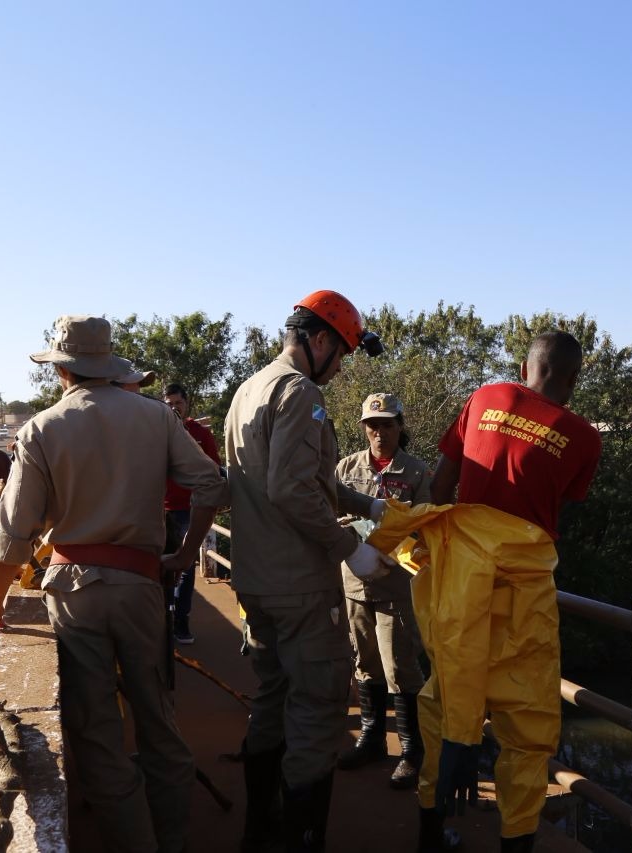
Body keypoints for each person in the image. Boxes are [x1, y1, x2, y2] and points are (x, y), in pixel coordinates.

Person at [0, 315, 229, 853]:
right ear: (109, 365)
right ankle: (176, 840)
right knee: (158, 723)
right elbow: (211, 482)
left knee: (97, 735)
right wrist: (184, 554)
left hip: (75, 593)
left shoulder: (42, 428)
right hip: (142, 585)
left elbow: (15, 534)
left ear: (61, 370)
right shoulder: (157, 417)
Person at [368, 331, 602, 853]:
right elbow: (549, 508)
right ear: (573, 378)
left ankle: (431, 830)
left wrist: (447, 542)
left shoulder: (484, 397)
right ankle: (516, 843)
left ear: (524, 365)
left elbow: (443, 485)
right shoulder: (585, 437)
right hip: (525, 590)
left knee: (444, 698)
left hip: (459, 580)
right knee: (527, 723)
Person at [225, 290, 386, 852]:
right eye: (340, 354)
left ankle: (258, 830)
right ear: (318, 341)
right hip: (299, 584)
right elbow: (291, 488)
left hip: (257, 580)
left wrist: (368, 506)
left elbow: (305, 478)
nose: (340, 368)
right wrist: (351, 547)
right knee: (317, 713)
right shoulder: (300, 393)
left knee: (271, 699)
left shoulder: (249, 390)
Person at [334, 392, 432, 790]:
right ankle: (372, 739)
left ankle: (412, 751)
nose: (380, 433)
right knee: (365, 663)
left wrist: (398, 548)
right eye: (373, 425)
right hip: (354, 582)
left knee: (400, 667)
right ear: (363, 428)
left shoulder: (415, 471)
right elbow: (326, 513)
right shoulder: (346, 468)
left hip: (395, 583)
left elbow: (427, 522)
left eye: (388, 424)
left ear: (400, 426)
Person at [161, 382, 221, 644]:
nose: (174, 408)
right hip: (160, 511)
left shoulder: (200, 434)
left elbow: (214, 470)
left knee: (185, 566)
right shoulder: (156, 433)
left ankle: (181, 621)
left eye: (178, 403)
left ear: (187, 405)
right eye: (169, 404)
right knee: (159, 564)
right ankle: (161, 619)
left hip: (190, 509)